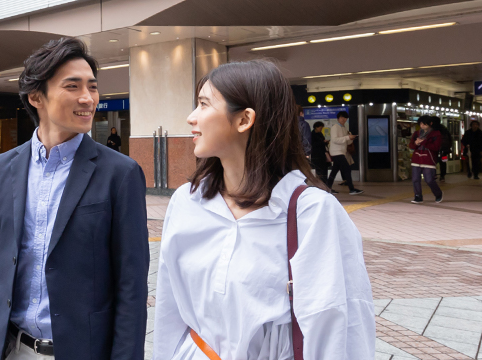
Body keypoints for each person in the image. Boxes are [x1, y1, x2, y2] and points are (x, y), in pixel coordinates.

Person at [156, 59, 376, 360]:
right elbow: (170, 310)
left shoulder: (312, 213)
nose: (191, 118)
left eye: (204, 105)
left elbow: (339, 323)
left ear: (245, 119)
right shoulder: (186, 201)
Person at [0, 37, 148, 360]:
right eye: (73, 86)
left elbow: (132, 287)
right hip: (13, 348)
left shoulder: (120, 174)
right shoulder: (2, 168)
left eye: (92, 87)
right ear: (36, 97)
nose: (88, 98)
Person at [324, 111, 363, 195]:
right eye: (342, 117)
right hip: (337, 152)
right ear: (338, 118)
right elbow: (335, 140)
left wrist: (350, 138)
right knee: (347, 169)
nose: (344, 119)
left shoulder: (344, 128)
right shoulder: (335, 127)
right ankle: (351, 189)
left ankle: (327, 188)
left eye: (345, 118)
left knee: (334, 171)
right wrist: (347, 137)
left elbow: (346, 142)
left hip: (341, 152)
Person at [409, 116, 444, 203]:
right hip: (416, 158)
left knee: (429, 179)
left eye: (424, 124)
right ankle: (418, 196)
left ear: (430, 124)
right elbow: (411, 145)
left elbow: (436, 147)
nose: (422, 126)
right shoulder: (416, 133)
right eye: (420, 124)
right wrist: (416, 143)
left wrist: (423, 142)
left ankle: (438, 194)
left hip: (429, 159)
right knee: (415, 179)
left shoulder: (436, 134)